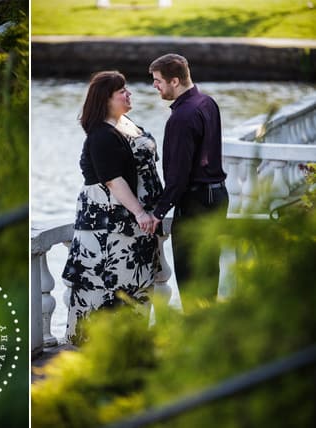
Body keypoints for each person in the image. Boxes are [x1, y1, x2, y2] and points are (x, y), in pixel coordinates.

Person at [62, 71, 163, 344]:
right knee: (110, 287)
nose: (129, 94)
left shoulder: (125, 123)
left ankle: (131, 343)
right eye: (122, 91)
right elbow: (113, 180)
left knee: (137, 286)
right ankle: (104, 348)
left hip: (133, 228)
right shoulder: (101, 135)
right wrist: (141, 213)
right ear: (106, 99)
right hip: (110, 229)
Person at [148, 54, 228, 301]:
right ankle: (210, 331)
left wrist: (158, 213)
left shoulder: (181, 118)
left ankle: (196, 332)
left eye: (158, 80)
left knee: (190, 275)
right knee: (208, 271)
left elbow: (178, 175)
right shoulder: (207, 102)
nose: (154, 85)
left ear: (175, 81)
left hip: (196, 203)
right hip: (217, 196)